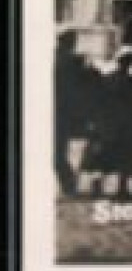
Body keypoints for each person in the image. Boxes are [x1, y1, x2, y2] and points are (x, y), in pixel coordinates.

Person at [83, 51, 132, 198]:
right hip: (124, 123)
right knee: (124, 155)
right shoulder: (131, 81)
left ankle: (99, 184)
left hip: (109, 122)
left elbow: (98, 101)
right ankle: (121, 188)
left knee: (106, 154)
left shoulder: (108, 79)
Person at [54, 32, 91, 196]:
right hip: (61, 111)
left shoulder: (67, 62)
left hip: (61, 112)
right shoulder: (70, 62)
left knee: (57, 153)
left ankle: (69, 184)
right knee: (57, 152)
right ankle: (69, 184)